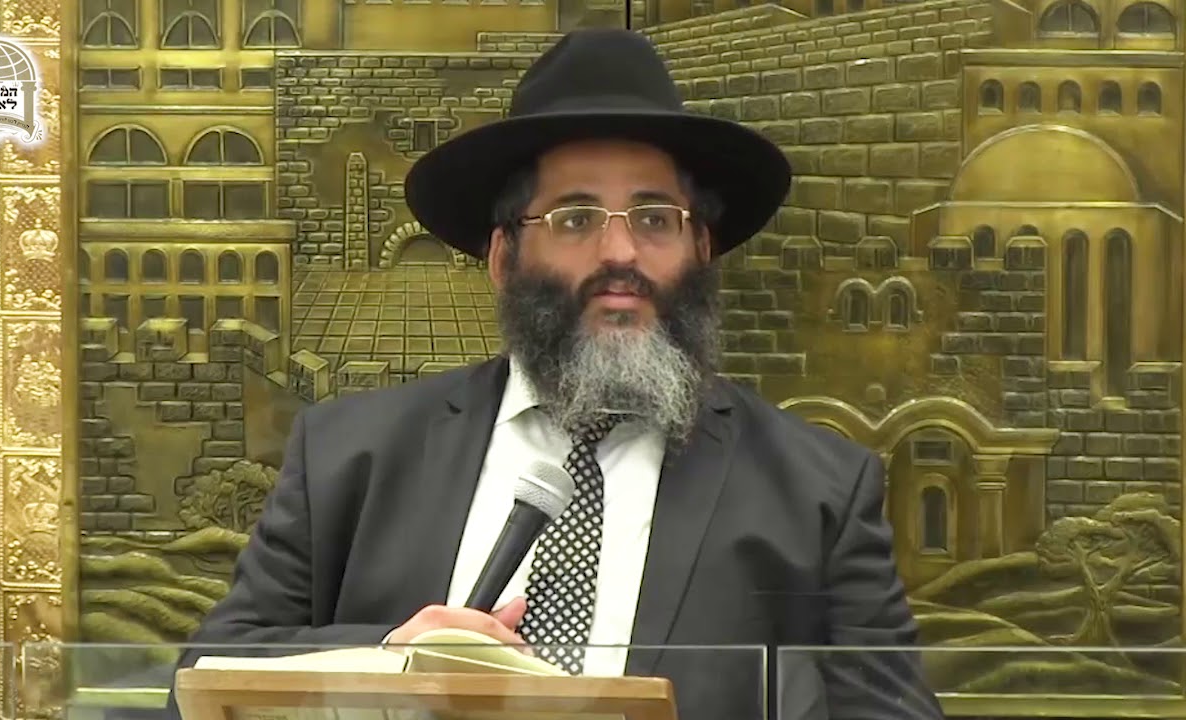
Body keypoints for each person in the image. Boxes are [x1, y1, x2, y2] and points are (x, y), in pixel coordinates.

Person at [168, 28, 945, 720]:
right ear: (503, 258)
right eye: (575, 218)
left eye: (655, 218)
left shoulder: (817, 493)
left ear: (702, 250)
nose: (620, 253)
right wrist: (387, 659)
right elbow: (201, 685)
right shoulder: (350, 456)